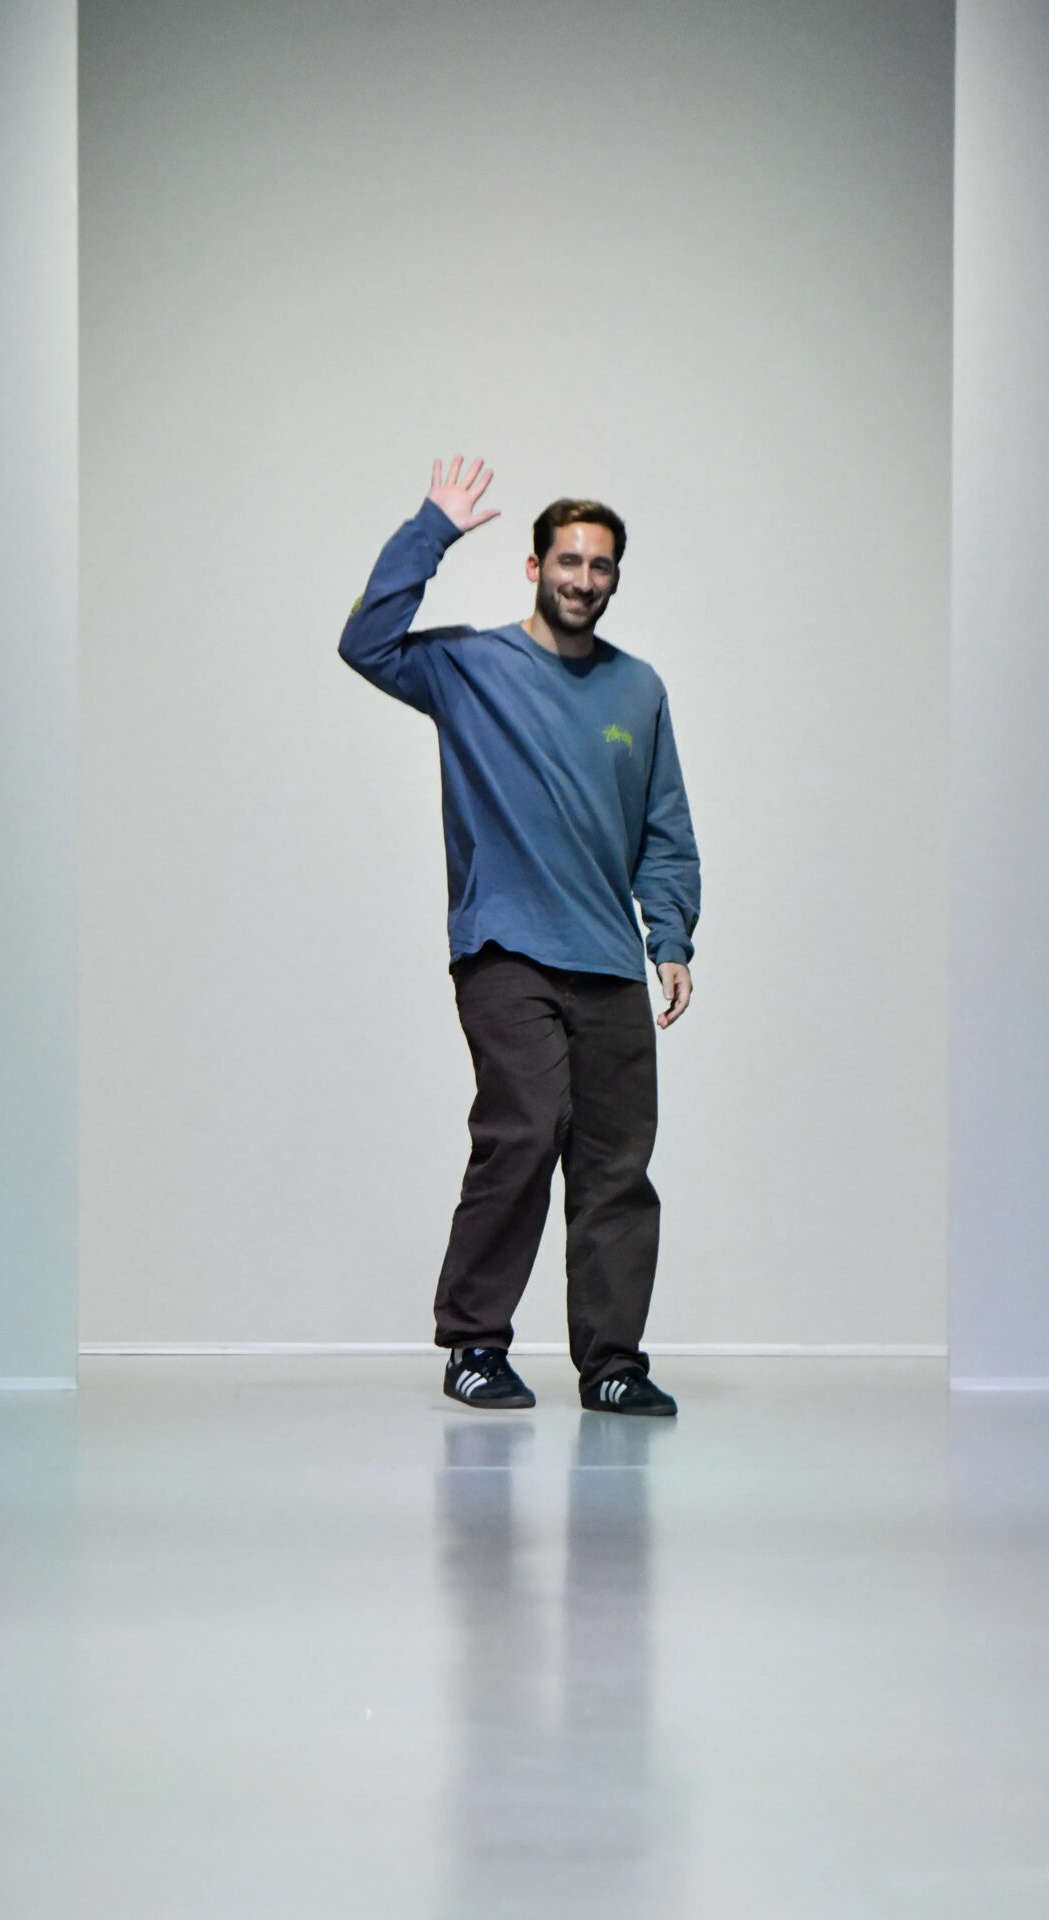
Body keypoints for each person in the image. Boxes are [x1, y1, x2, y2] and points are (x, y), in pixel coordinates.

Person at [340, 457, 700, 1416]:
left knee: (617, 1164)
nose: (584, 579)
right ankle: (473, 1343)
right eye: (568, 560)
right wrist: (431, 529)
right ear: (534, 567)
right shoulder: (470, 668)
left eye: (600, 565)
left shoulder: (638, 689)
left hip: (609, 958)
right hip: (505, 949)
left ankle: (612, 1364)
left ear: (615, 578)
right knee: (526, 1130)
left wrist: (670, 937)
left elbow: (664, 826)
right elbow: (365, 642)